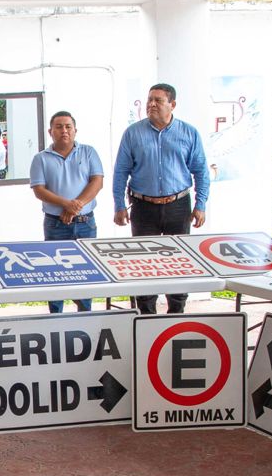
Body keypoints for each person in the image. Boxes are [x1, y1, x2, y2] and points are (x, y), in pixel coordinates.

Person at [111, 83, 210, 314]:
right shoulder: (133, 133)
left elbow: (201, 171)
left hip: (179, 206)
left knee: (179, 262)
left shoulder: (189, 133)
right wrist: (118, 205)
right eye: (149, 100)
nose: (152, 104)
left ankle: (176, 312)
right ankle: (146, 315)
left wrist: (201, 204)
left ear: (172, 104)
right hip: (143, 207)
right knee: (143, 264)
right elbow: (120, 172)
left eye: (158, 100)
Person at [29, 110, 104, 313]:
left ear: (75, 130)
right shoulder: (40, 158)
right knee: (54, 273)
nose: (64, 131)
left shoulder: (89, 152)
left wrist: (76, 205)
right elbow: (39, 190)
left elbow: (97, 182)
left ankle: (85, 315)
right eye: (59, 127)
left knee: (86, 272)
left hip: (85, 223)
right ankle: (55, 317)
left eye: (68, 126)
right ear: (50, 131)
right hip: (55, 224)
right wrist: (66, 204)